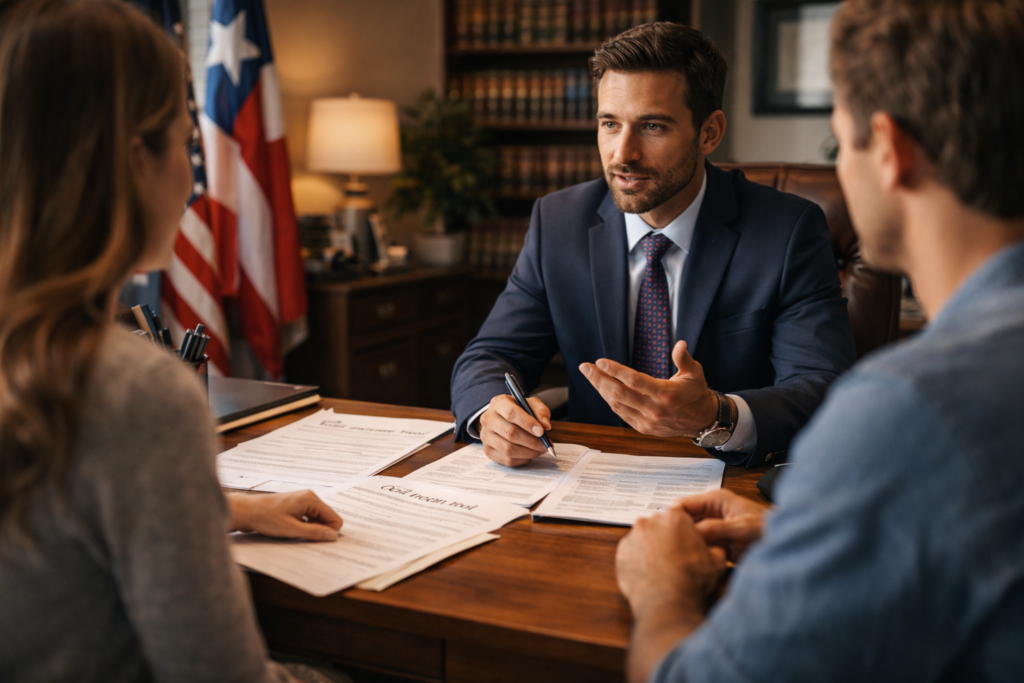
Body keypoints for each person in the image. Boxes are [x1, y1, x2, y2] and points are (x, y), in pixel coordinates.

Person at [615, 1, 1024, 681]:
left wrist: (660, 588)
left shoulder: (908, 408)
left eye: (841, 142)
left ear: (889, 151)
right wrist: (816, 528)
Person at [0, 2, 343, 681]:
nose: (192, 180)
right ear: (136, 160)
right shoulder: (135, 391)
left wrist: (226, 507)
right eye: (188, 145)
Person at [450, 22, 856, 469]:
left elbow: (821, 386)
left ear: (709, 133)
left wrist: (714, 415)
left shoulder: (787, 230)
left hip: (728, 481)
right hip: (590, 476)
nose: (623, 153)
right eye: (610, 124)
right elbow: (492, 354)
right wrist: (493, 414)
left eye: (653, 126)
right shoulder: (559, 221)